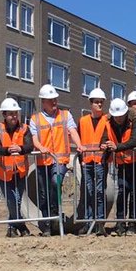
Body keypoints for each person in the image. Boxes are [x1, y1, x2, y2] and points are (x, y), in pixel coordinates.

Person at [29, 83, 80, 236]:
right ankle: (47, 225)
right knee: (44, 193)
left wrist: (79, 145)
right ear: (43, 101)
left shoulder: (65, 115)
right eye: (50, 99)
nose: (54, 102)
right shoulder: (35, 119)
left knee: (55, 182)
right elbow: (34, 139)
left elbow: (73, 131)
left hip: (60, 160)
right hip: (42, 161)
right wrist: (40, 147)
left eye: (55, 99)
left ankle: (55, 218)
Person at [0, 97, 33, 237]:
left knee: (18, 200)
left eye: (15, 113)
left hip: (20, 172)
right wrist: (8, 150)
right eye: (10, 113)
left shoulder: (25, 128)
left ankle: (12, 228)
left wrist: (20, 148)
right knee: (12, 200)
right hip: (4, 173)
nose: (14, 116)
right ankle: (21, 226)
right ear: (4, 115)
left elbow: (29, 146)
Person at [104, 96, 136, 233]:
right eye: (116, 116)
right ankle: (120, 222)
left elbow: (135, 140)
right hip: (122, 164)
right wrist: (104, 145)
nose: (119, 119)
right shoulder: (108, 123)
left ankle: (133, 223)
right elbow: (104, 139)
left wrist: (117, 147)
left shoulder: (134, 120)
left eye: (121, 116)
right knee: (122, 191)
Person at [76, 87, 110, 235]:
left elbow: (109, 140)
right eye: (96, 102)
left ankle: (100, 223)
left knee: (99, 192)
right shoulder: (83, 121)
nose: (99, 105)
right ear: (91, 103)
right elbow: (79, 141)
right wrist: (80, 160)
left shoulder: (107, 120)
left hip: (100, 162)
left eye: (101, 102)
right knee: (88, 193)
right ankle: (89, 222)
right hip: (87, 162)